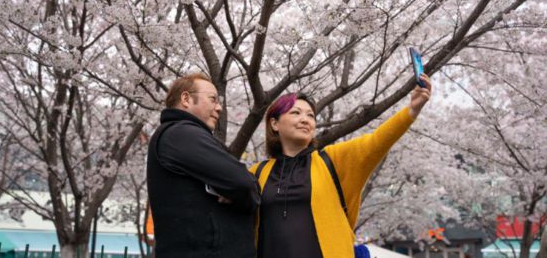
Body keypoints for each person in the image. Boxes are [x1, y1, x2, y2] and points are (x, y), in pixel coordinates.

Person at [250, 74, 432, 258]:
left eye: (311, 115)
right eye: (296, 113)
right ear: (274, 123)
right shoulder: (256, 173)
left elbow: (376, 142)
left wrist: (411, 111)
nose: (305, 120)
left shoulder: (332, 161)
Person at [147, 73, 260, 258]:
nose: (219, 108)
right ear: (186, 99)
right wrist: (249, 193)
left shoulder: (180, 136)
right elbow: (243, 182)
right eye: (213, 99)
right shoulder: (180, 133)